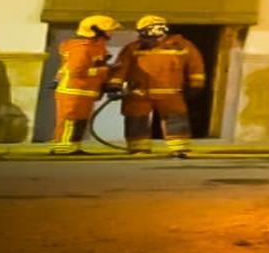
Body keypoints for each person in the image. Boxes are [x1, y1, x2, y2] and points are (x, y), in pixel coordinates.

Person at [110, 15, 205, 157]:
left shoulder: (182, 46)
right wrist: (114, 85)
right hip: (138, 92)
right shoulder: (133, 48)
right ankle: (138, 149)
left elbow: (195, 67)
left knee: (175, 119)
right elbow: (121, 68)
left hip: (170, 92)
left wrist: (196, 85)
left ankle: (179, 149)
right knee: (136, 119)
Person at [48, 14, 119, 154]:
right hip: (73, 90)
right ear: (96, 30)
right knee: (70, 120)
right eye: (109, 30)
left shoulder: (94, 47)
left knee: (79, 121)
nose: (112, 33)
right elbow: (77, 72)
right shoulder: (82, 48)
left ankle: (73, 146)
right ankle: (63, 147)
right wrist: (106, 70)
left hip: (83, 91)